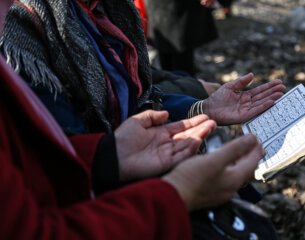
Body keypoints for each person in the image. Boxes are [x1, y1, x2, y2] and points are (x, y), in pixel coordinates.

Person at [0, 1, 266, 238]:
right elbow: (54, 169)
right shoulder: (25, 29)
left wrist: (202, 107)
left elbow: (140, 92)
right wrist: (177, 193)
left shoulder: (106, 12)